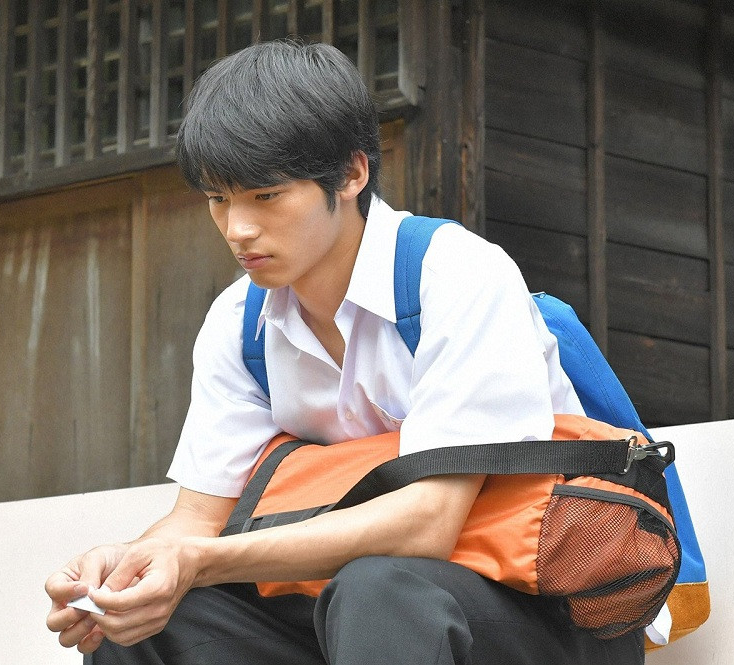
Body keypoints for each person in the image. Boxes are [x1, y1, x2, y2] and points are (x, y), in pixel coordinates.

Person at [45, 40, 645, 664]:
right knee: (146, 625)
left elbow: (427, 525)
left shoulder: (456, 273)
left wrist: (202, 560)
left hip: (539, 609)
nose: (238, 229)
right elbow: (197, 518)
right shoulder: (238, 322)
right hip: (346, 613)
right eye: (219, 199)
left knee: (381, 587)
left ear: (353, 174)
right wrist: (128, 573)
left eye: (266, 196)